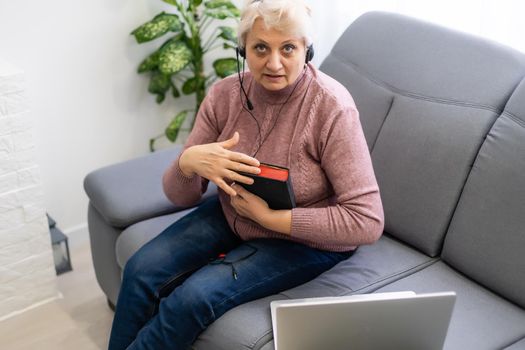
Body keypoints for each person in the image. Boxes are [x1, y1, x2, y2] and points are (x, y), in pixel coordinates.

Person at [108, 0, 384, 349]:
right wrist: (188, 163)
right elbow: (181, 195)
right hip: (234, 212)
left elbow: (367, 221)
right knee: (141, 269)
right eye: (260, 48)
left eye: (288, 48)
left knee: (192, 299)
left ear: (307, 50)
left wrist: (272, 218)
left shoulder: (331, 108)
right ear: (243, 50)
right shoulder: (224, 95)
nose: (273, 63)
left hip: (304, 240)